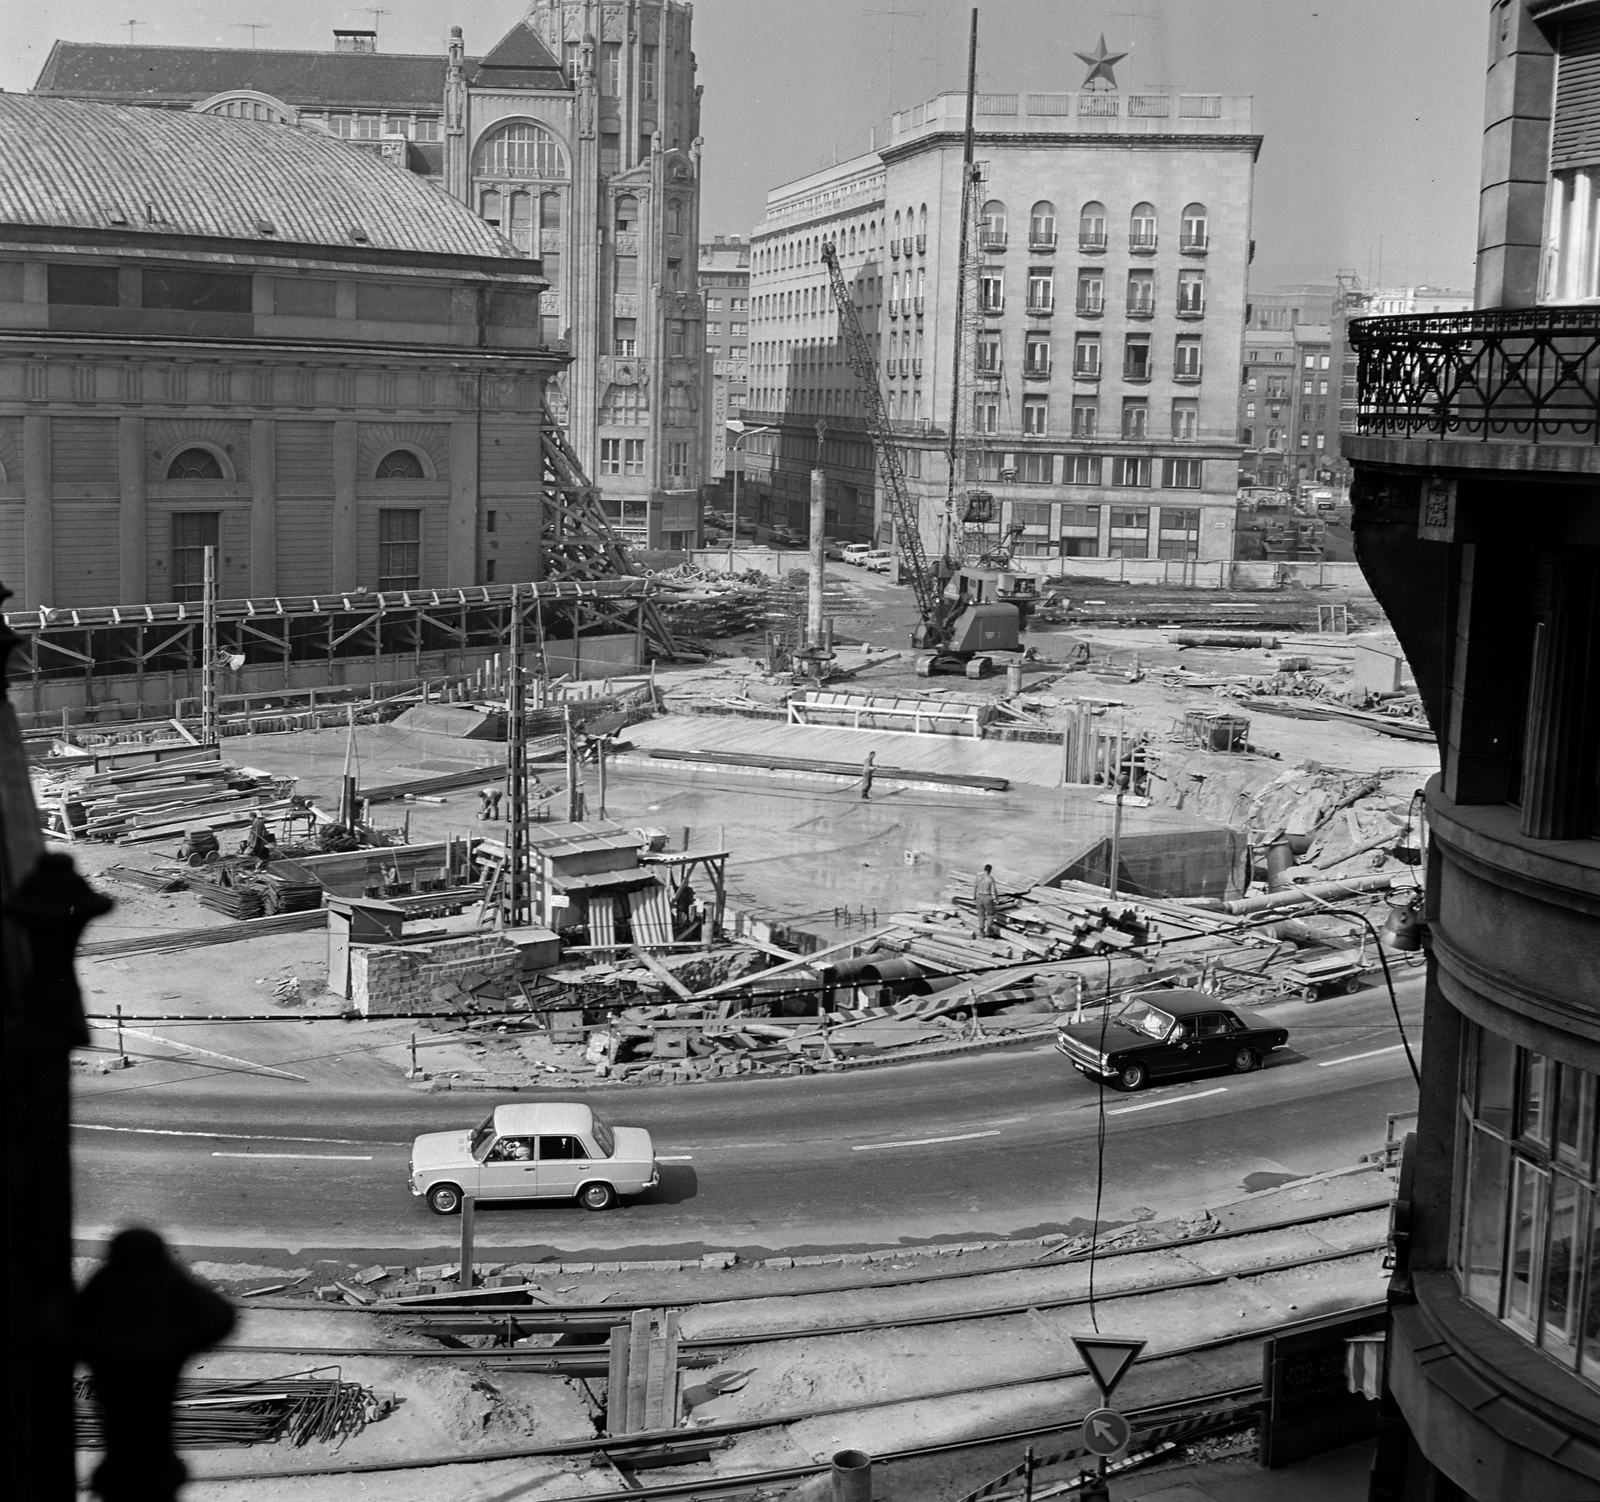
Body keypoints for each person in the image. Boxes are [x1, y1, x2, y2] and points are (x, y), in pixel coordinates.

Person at [974, 864, 1000, 938]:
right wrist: (996, 899)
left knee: (980, 915)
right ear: (990, 870)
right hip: (987, 897)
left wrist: (974, 897)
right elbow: (993, 890)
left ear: (984, 869)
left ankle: (981, 932)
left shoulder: (978, 877)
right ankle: (989, 930)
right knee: (990, 914)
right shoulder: (990, 878)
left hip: (979, 897)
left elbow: (974, 888)